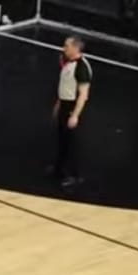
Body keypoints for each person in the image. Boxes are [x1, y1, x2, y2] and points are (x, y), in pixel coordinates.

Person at [52, 36, 93, 188]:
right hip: (64, 104)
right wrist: (58, 104)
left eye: (67, 46)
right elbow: (65, 85)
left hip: (72, 106)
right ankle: (59, 169)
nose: (64, 49)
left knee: (71, 143)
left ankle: (75, 175)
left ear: (76, 48)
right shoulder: (69, 63)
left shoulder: (82, 67)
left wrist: (75, 115)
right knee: (62, 140)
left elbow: (83, 94)